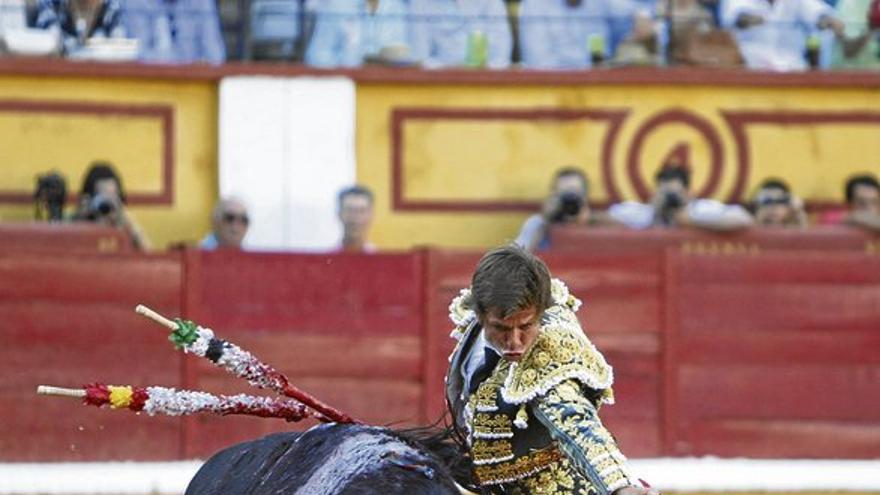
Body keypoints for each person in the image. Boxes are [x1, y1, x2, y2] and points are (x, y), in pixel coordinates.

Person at [445, 245, 658, 494]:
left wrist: (620, 487)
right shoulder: (472, 334)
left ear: (541, 312)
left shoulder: (551, 346)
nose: (514, 341)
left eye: (526, 326)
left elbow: (576, 423)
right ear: (480, 315)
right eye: (502, 328)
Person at [608, 164, 754, 230]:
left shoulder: (700, 210)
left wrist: (692, 222)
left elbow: (743, 218)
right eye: (665, 193)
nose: (669, 199)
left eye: (674, 194)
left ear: (688, 194)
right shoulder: (642, 212)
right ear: (655, 193)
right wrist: (653, 214)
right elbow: (602, 219)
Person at [720, 0, 856, 71]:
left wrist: (830, 22)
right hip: (751, 65)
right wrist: (749, 20)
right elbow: (736, 17)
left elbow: (818, 16)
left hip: (792, 66)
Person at [519, 0, 655, 68]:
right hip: (552, 93)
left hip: (599, 88)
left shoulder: (601, 3)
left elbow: (641, 9)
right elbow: (538, 64)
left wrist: (642, 15)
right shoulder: (534, 4)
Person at [515, 167, 614, 252]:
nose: (569, 202)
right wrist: (546, 221)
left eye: (574, 194)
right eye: (564, 195)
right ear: (553, 196)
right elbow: (515, 260)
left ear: (585, 197)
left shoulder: (600, 223)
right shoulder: (538, 223)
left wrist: (591, 219)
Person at [409, 0, 512, 68]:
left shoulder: (492, 3)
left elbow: (501, 59)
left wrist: (479, 73)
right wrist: (451, 71)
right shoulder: (419, 3)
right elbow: (420, 59)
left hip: (487, 85)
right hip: (438, 86)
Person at [72, 161, 151, 251]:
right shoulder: (78, 220)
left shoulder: (124, 223)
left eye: (111, 197)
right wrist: (81, 220)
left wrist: (128, 222)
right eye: (102, 197)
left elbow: (149, 255)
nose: (107, 204)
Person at [305, 0, 410, 67]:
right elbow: (316, 57)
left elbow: (402, 54)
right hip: (344, 87)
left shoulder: (396, 6)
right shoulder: (337, 5)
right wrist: (348, 59)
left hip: (385, 87)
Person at [122, 0, 225, 64]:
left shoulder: (201, 2)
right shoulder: (134, 2)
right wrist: (188, 63)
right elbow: (137, 55)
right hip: (148, 85)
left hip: (192, 86)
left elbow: (215, 56)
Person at [34, 0, 125, 54]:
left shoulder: (114, 9)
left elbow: (121, 51)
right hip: (57, 80)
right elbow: (43, 49)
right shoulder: (52, 5)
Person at [336, 185, 376, 253]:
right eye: (350, 211)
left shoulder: (379, 261)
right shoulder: (326, 259)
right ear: (339, 214)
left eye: (361, 211)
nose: (355, 218)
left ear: (371, 215)